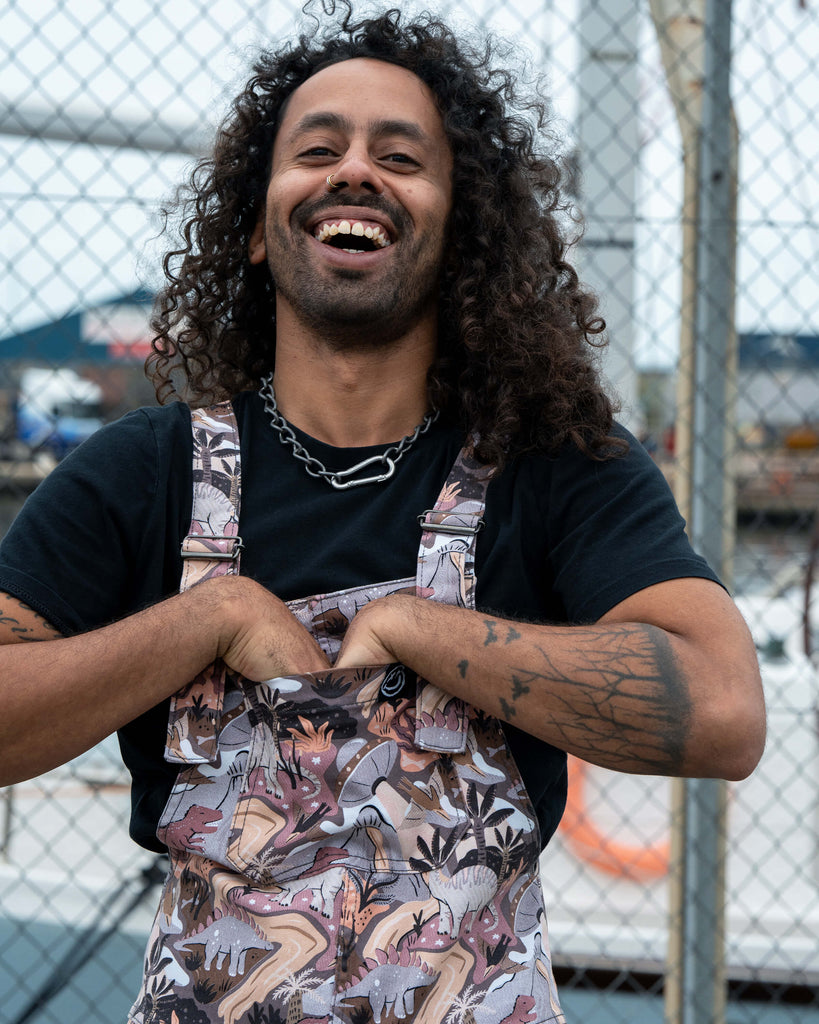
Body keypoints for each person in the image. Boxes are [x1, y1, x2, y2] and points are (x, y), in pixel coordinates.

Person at [0, 6, 764, 1023]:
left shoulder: (556, 467)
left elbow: (722, 709)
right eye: (318, 148)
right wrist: (205, 616)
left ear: (462, 232)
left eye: (400, 156)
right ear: (256, 229)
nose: (354, 170)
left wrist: (417, 629)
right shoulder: (144, 473)